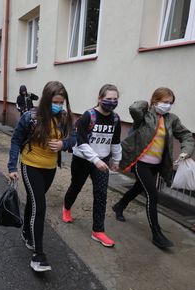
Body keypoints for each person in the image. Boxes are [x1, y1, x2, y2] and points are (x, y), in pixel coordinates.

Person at [113, 87, 195, 249]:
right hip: (140, 162)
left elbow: (185, 135)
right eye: (165, 102)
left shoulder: (171, 119)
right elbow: (134, 108)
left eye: (171, 103)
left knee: (137, 188)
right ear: (156, 101)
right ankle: (157, 234)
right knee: (152, 195)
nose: (168, 106)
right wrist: (149, 105)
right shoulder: (144, 115)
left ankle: (119, 206)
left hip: (157, 165)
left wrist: (186, 151)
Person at [8, 81, 74, 272]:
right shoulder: (31, 117)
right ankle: (38, 256)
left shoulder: (63, 118)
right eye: (56, 102)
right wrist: (12, 166)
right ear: (46, 100)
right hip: (31, 166)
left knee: (33, 202)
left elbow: (75, 137)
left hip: (50, 168)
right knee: (40, 206)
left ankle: (27, 232)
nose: (59, 106)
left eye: (62, 102)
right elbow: (16, 140)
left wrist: (64, 144)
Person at [63, 84, 122, 247]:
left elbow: (115, 142)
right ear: (100, 98)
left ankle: (98, 231)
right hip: (83, 160)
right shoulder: (88, 116)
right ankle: (66, 207)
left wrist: (116, 160)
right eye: (108, 99)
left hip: (102, 162)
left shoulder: (116, 119)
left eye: (115, 99)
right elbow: (80, 142)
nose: (112, 102)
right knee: (76, 186)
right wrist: (95, 159)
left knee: (101, 194)